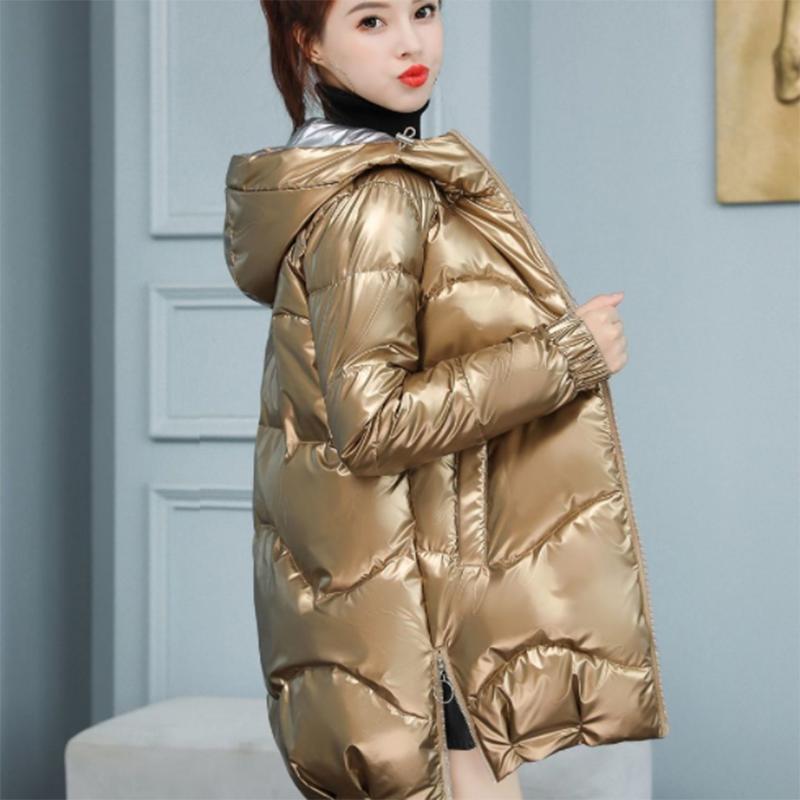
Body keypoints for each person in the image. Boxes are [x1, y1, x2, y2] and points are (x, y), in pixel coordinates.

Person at [223, 1, 669, 798]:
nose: (411, 41)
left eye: (423, 10)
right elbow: (374, 422)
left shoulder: (360, 179)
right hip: (413, 607)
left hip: (401, 585)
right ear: (308, 44)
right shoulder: (375, 199)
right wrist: (567, 355)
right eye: (370, 20)